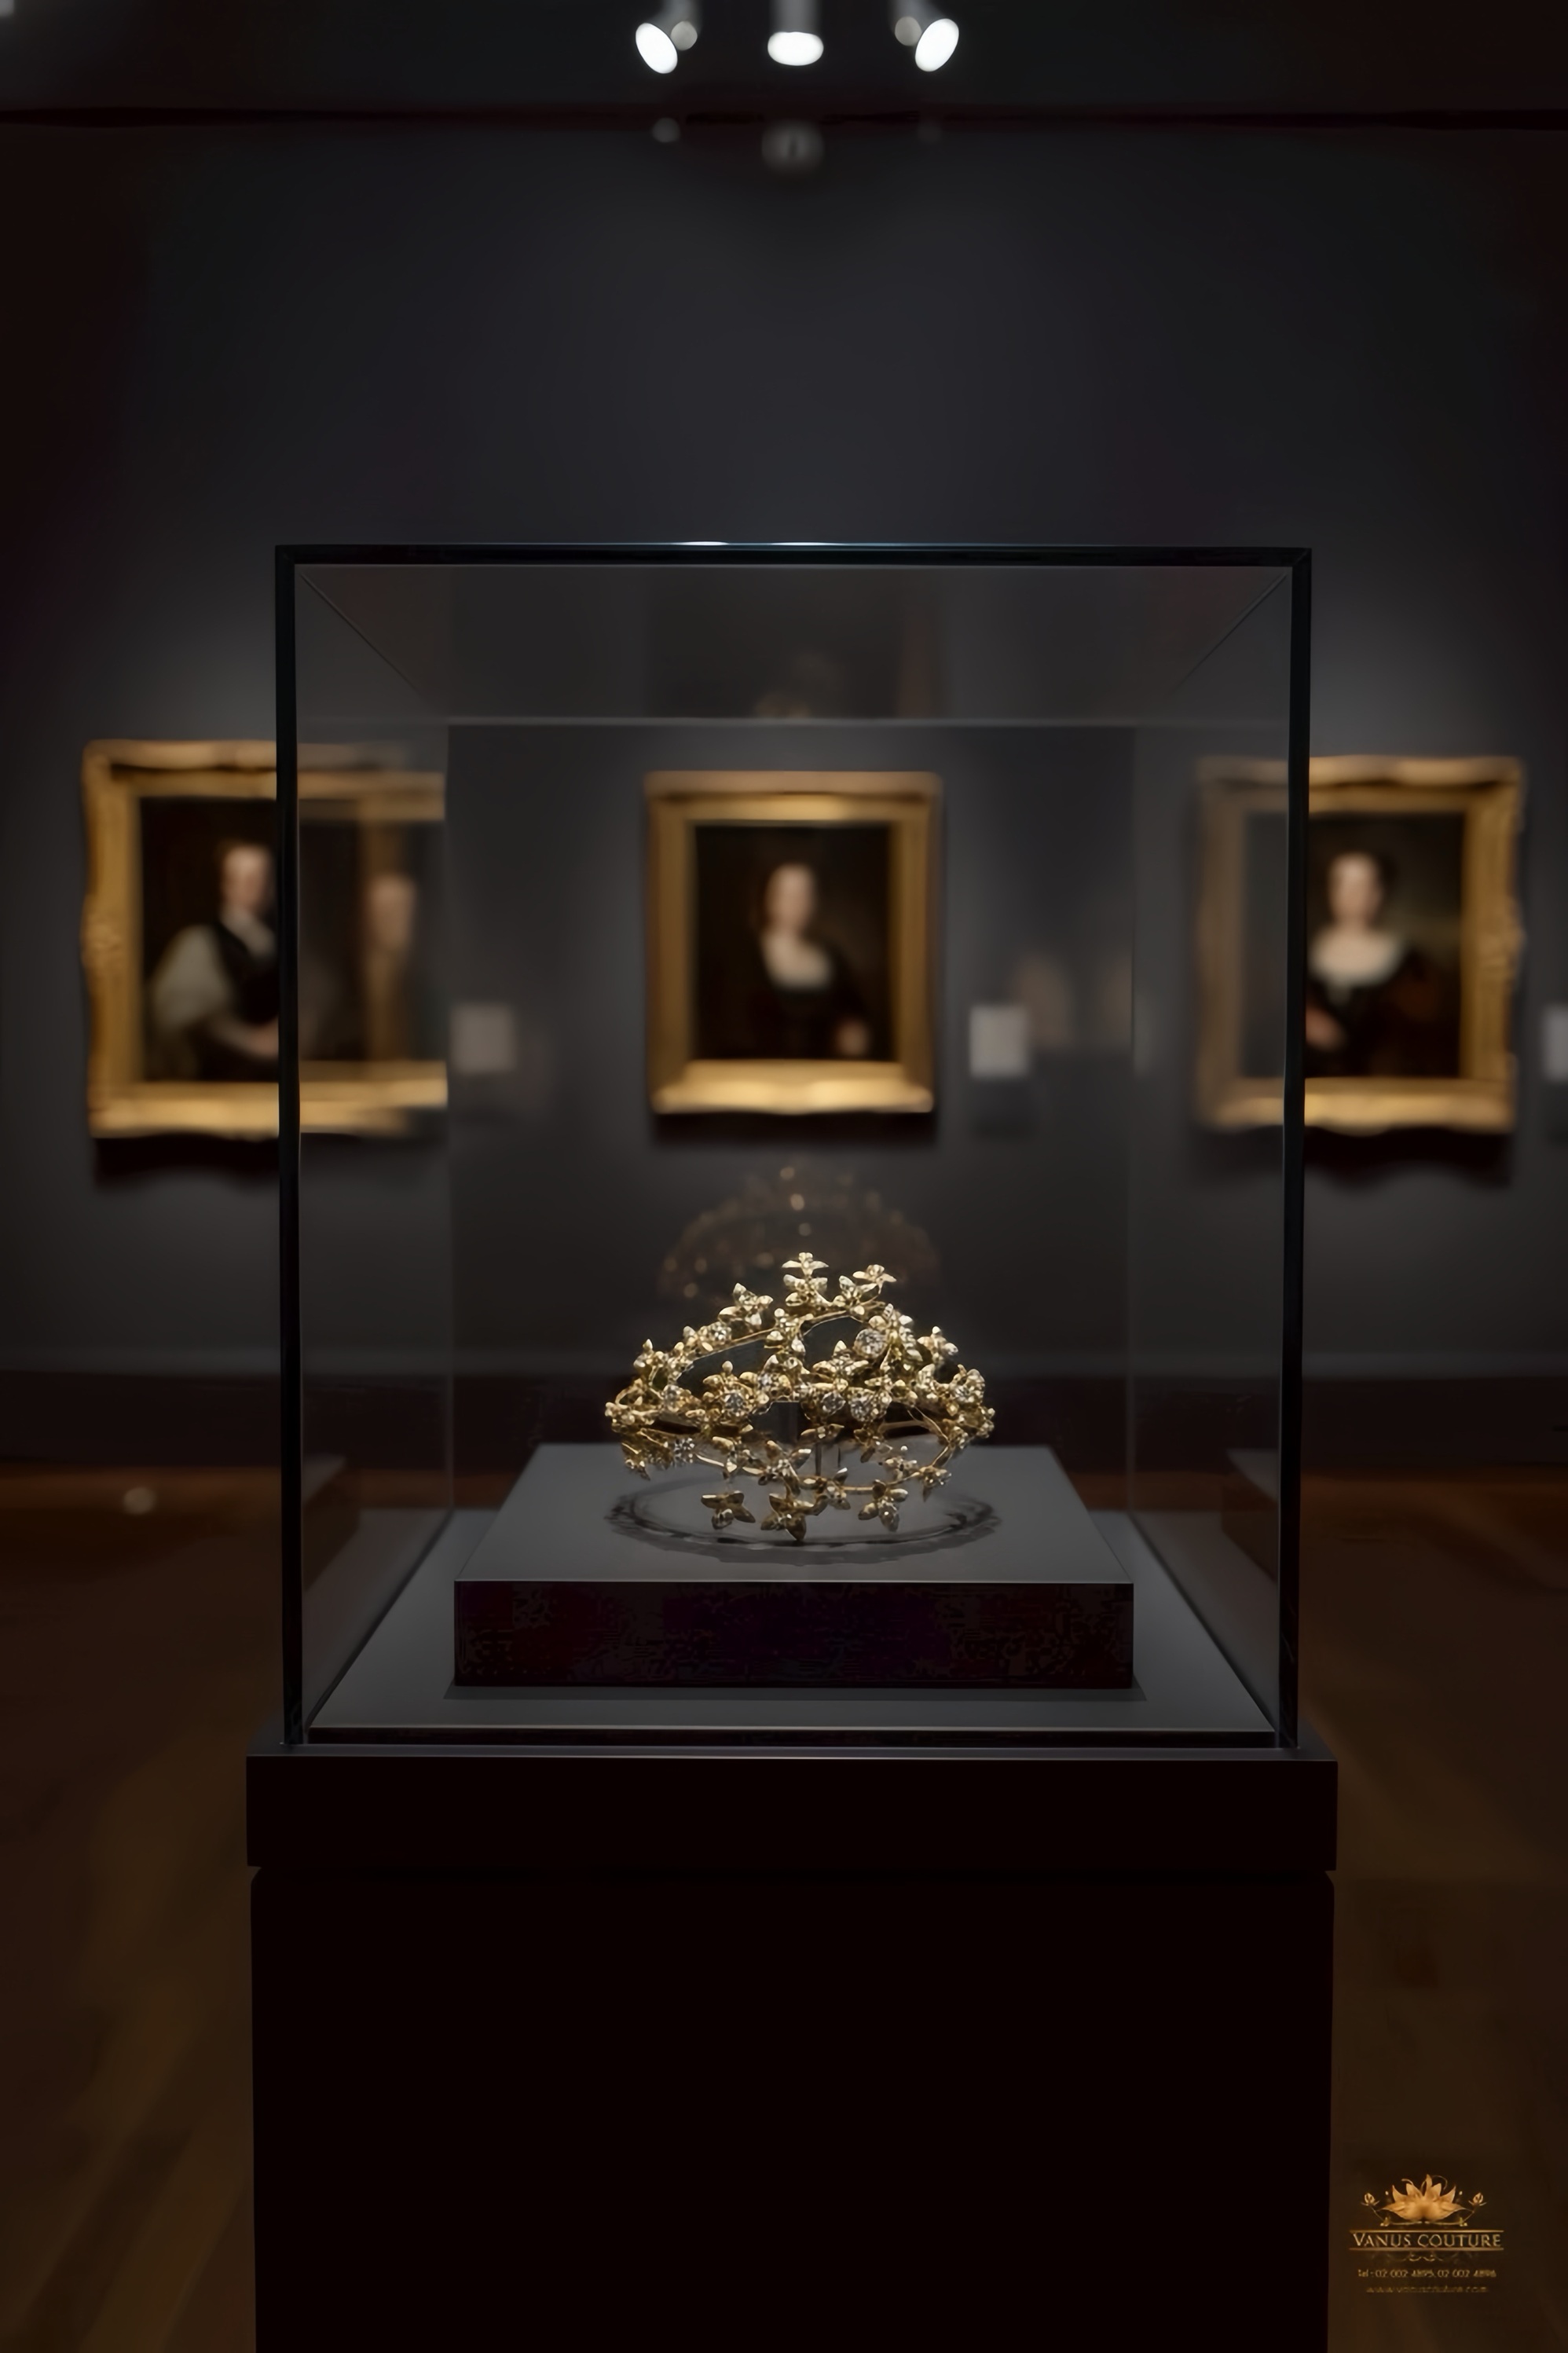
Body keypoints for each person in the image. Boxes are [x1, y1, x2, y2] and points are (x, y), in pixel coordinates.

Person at [1303, 847, 1454, 1078]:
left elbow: (1422, 1038)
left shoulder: (1412, 964)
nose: (1355, 895)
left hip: (1380, 1084)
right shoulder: (1304, 949)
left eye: (1366, 885)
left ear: (1382, 891)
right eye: (1344, 884)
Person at [148, 838, 279, 1079]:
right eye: (242, 878)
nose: (253, 886)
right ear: (225, 884)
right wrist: (253, 1042)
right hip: (216, 1082)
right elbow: (182, 1019)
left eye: (259, 877)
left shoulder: (278, 943)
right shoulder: (197, 944)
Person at [720, 860, 874, 1061]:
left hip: (824, 1072)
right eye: (789, 895)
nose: (798, 904)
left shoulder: (832, 957)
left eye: (805, 895)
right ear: (769, 899)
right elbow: (734, 1032)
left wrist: (853, 1036)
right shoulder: (745, 959)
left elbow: (855, 1018)